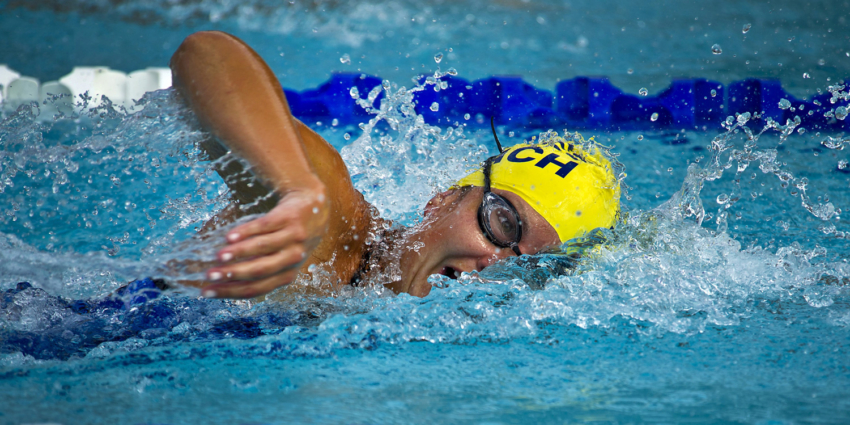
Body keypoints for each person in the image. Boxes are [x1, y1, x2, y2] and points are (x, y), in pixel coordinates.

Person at [169, 31, 620, 299]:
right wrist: (295, 189)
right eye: (503, 224)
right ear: (442, 200)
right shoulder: (330, 228)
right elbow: (206, 54)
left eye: (532, 267)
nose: (495, 263)